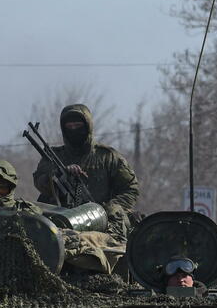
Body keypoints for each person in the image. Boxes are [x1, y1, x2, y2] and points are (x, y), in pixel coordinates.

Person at [32, 103, 140, 243]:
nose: (74, 130)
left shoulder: (108, 157)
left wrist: (107, 210)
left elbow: (130, 189)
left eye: (78, 126)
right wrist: (58, 176)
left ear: (88, 126)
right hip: (60, 222)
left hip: (101, 225)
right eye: (69, 127)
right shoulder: (53, 157)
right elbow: (40, 182)